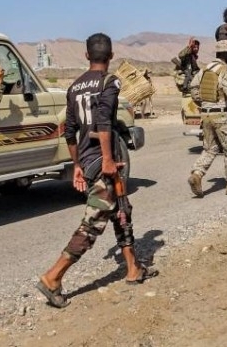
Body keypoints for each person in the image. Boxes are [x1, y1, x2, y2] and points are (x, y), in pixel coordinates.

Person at [36, 33, 156, 309]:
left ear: (87, 56)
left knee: (122, 209)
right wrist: (108, 160)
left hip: (88, 161)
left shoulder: (74, 87)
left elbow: (69, 131)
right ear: (111, 56)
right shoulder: (109, 82)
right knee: (93, 222)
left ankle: (132, 268)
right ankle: (53, 277)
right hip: (104, 161)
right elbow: (103, 121)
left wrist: (77, 165)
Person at [187, 40, 227, 197]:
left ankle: (197, 174)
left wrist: (204, 103)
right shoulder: (225, 70)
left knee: (210, 149)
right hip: (222, 115)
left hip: (206, 115)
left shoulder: (205, 69)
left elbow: (193, 88)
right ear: (226, 53)